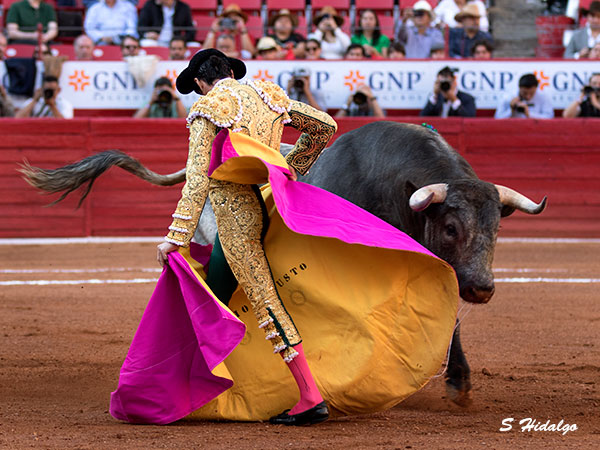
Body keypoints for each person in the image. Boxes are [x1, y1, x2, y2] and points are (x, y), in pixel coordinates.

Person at [155, 48, 337, 425]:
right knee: (232, 289)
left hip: (236, 216)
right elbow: (325, 127)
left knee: (264, 299)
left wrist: (177, 237)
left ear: (202, 82)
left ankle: (309, 396)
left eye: (198, 87)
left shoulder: (209, 107)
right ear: (229, 71)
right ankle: (199, 376)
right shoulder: (268, 94)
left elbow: (197, 179)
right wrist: (289, 170)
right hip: (266, 201)